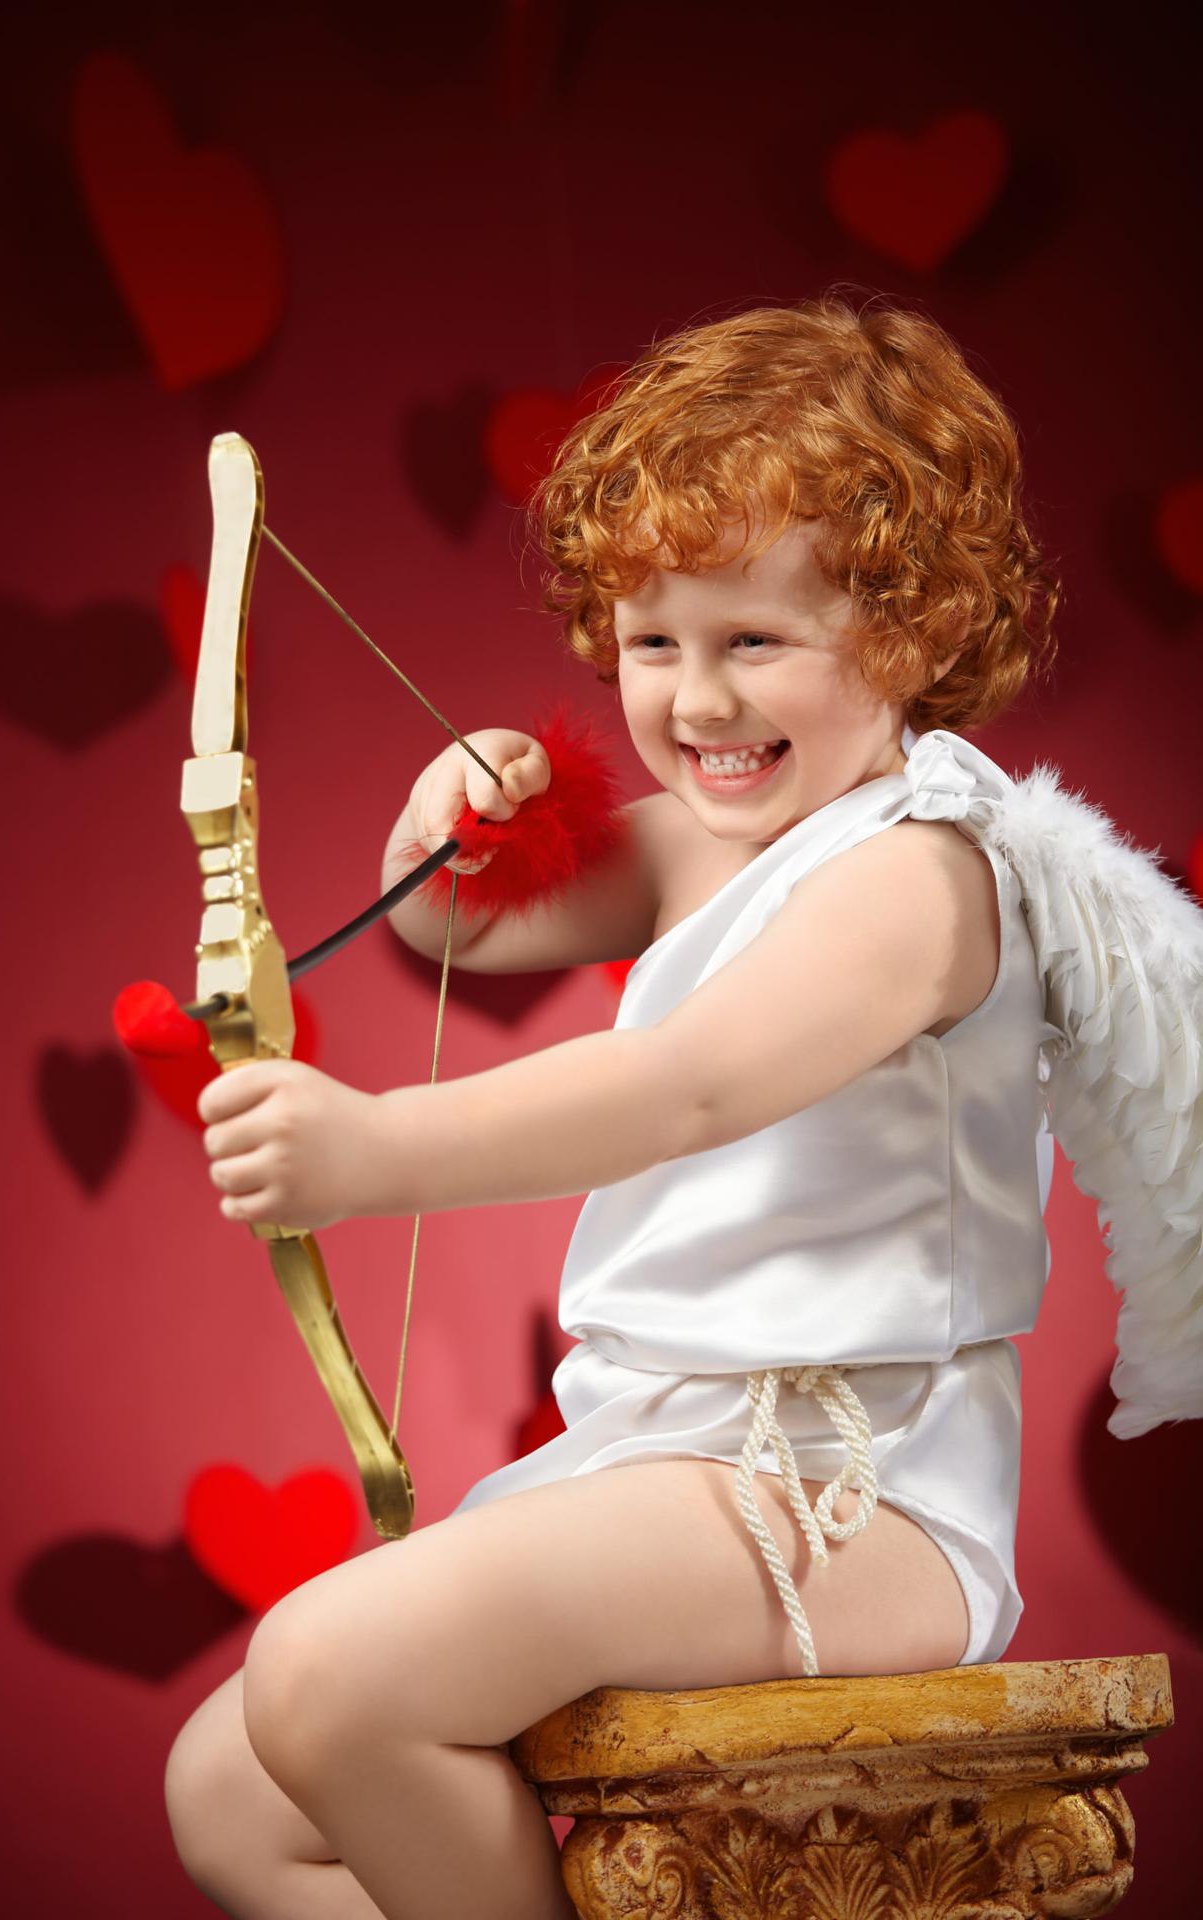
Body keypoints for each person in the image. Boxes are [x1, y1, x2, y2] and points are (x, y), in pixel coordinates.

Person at [164, 293, 1068, 1920]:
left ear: (916, 629)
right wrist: (452, 816)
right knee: (228, 1794)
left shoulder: (924, 876)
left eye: (755, 642)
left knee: (327, 1676)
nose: (699, 704)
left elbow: (687, 1085)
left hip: (850, 1500)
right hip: (662, 1470)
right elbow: (462, 921)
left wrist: (375, 1151)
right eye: (656, 644)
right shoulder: (708, 841)